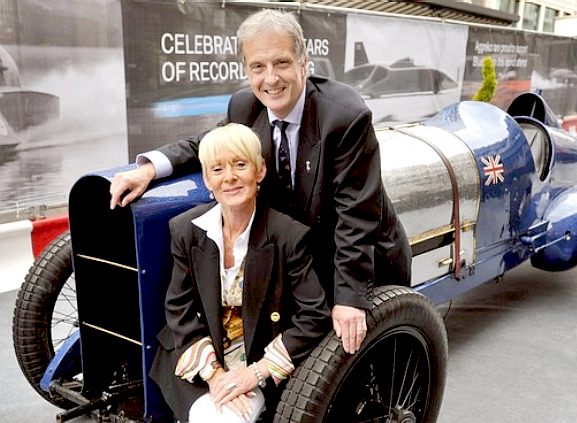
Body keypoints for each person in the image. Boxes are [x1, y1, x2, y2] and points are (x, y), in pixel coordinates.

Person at [111, 9, 411, 355]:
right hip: (299, 257)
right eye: (258, 67)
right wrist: (150, 168)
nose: (271, 79)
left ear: (304, 63)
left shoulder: (345, 116)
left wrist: (348, 299)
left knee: (360, 360)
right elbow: (207, 143)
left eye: (282, 63)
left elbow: (355, 218)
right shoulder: (245, 106)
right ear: (246, 70)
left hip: (359, 260)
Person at [149, 123, 330, 422]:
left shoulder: (289, 236)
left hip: (257, 360)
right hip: (197, 359)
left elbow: (314, 316)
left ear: (259, 171)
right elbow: (178, 307)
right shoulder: (185, 230)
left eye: (240, 165)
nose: (229, 177)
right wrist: (215, 375)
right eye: (217, 169)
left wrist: (255, 373)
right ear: (207, 179)